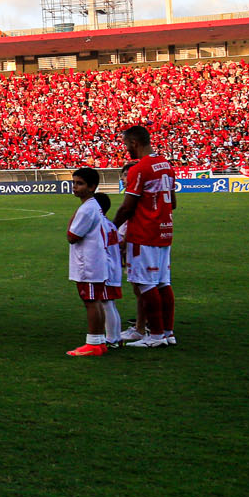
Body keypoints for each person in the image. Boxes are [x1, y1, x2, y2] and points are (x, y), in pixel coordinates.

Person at [114, 125, 177, 347]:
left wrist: (111, 228)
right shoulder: (166, 165)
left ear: (133, 143)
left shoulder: (139, 168)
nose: (126, 149)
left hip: (144, 233)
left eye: (125, 144)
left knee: (145, 284)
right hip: (164, 230)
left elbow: (127, 208)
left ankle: (156, 335)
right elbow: (174, 202)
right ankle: (168, 332)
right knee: (162, 283)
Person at [65, 168, 110, 357]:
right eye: (74, 182)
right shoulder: (93, 205)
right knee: (95, 301)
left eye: (80, 183)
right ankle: (99, 341)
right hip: (95, 261)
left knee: (90, 301)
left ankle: (92, 342)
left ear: (92, 187)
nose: (75, 187)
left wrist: (72, 219)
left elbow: (72, 236)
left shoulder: (87, 208)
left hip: (87, 263)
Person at [95, 192, 125, 348]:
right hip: (114, 267)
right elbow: (121, 242)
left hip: (106, 268)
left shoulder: (99, 224)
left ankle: (112, 339)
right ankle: (117, 337)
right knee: (109, 303)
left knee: (106, 303)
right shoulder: (110, 224)